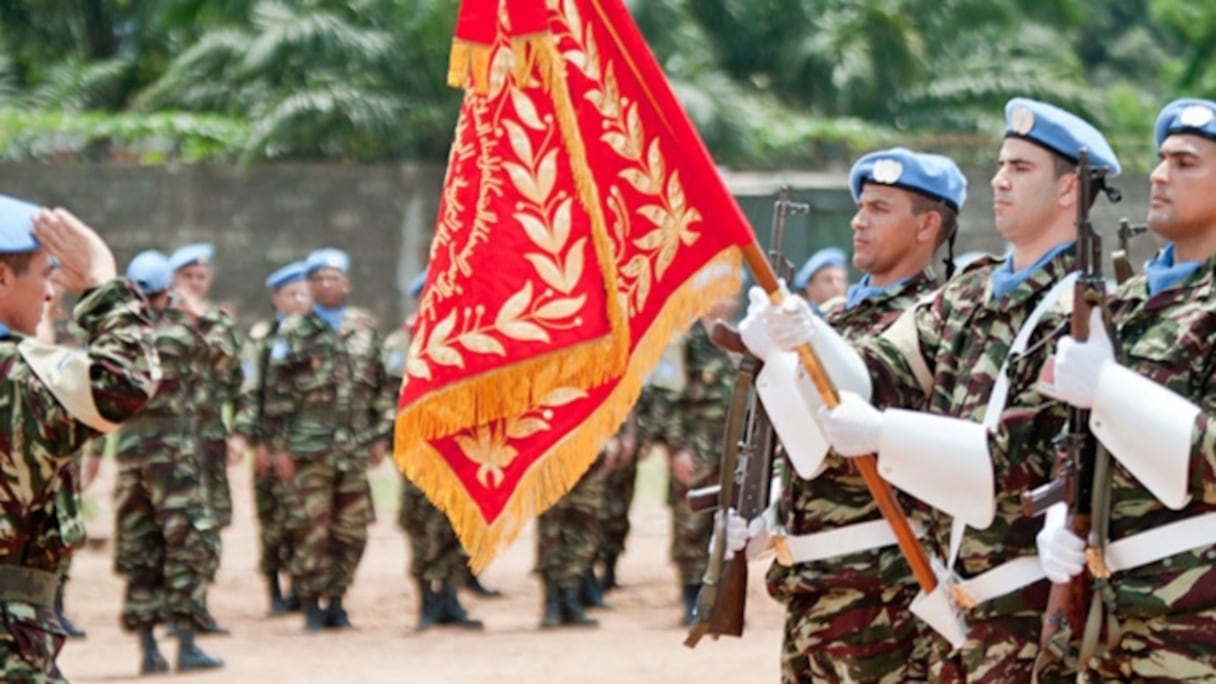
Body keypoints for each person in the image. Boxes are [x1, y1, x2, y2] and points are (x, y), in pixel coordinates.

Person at [740, 97, 1122, 681]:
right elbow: (872, 375)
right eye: (1000, 165)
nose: (998, 181)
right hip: (947, 614)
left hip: (1024, 615)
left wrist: (884, 431)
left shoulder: (1080, 310)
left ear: (1069, 190)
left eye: (1020, 169)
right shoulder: (967, 296)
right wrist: (804, 331)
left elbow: (1005, 464)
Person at [732, 148, 967, 682]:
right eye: (861, 206)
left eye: (881, 208)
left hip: (885, 592)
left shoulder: (942, 314)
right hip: (810, 587)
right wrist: (766, 514)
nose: (859, 221)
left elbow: (872, 390)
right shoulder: (836, 317)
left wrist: (806, 338)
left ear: (927, 224)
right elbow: (804, 440)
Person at [1034, 97, 1216, 680]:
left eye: (1185, 163)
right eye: (1161, 159)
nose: (1159, 175)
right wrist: (1060, 513)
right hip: (1108, 619)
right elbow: (1073, 436)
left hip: (1195, 631)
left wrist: (1110, 388)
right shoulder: (1124, 303)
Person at [0, 198, 159, 682]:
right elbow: (125, 383)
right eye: (44, 274)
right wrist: (103, 284)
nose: (50, 294)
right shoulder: (20, 374)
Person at [94, 250, 225, 675]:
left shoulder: (114, 339)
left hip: (132, 456)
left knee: (140, 548)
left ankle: (148, 650)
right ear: (168, 290)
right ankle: (185, 644)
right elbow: (224, 356)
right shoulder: (182, 335)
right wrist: (199, 312)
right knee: (185, 546)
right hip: (175, 459)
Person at [262, 247, 392, 631]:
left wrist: (380, 435)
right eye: (317, 279)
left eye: (332, 277)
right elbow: (276, 395)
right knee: (309, 530)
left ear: (346, 283)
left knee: (351, 530)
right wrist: (278, 447)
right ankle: (311, 602)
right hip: (308, 448)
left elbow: (383, 388)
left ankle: (337, 598)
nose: (324, 284)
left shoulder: (364, 328)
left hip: (353, 447)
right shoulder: (292, 331)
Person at [389, 270, 484, 630]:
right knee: (422, 529)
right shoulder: (404, 344)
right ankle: (427, 602)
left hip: (462, 454)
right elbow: (388, 399)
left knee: (457, 530)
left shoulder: (471, 341)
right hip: (422, 454)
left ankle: (451, 600)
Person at [229, 260, 311, 615]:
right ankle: (275, 588)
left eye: (303, 294)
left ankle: (301, 587)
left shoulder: (315, 336)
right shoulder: (262, 340)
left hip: (307, 444)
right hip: (271, 444)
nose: (298, 301)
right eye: (290, 294)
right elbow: (250, 394)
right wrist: (258, 443)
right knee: (273, 518)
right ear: (275, 298)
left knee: (304, 518)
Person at [168, 242, 242, 634]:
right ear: (174, 280)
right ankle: (169, 607)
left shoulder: (219, 323)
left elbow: (233, 375)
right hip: (168, 444)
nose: (196, 284)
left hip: (209, 442)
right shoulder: (158, 319)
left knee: (209, 525)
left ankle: (198, 604)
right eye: (188, 277)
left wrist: (241, 434)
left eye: (201, 277)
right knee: (171, 525)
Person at [657, 293, 740, 626]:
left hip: (733, 453)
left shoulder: (739, 340)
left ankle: (720, 599)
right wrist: (677, 448)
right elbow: (668, 398)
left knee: (728, 527)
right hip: (696, 451)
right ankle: (692, 597)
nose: (729, 298)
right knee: (690, 526)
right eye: (724, 289)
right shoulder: (686, 340)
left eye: (735, 292)